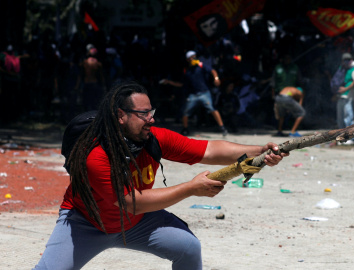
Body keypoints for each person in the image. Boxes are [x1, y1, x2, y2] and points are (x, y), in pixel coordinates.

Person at [34, 81, 287, 270]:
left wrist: (258, 151)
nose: (151, 119)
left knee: (189, 249)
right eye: (143, 114)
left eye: (151, 111)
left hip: (137, 224)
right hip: (86, 223)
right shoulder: (96, 154)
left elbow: (209, 149)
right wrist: (190, 188)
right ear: (120, 116)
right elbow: (131, 202)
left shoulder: (153, 139)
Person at [161, 51, 228, 136]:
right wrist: (169, 82)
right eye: (192, 57)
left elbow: (212, 70)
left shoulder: (201, 66)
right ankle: (185, 129)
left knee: (212, 108)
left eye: (194, 56)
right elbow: (182, 84)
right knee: (185, 112)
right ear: (188, 59)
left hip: (204, 93)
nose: (194, 58)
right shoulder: (187, 71)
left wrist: (216, 78)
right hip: (193, 95)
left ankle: (222, 128)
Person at [335, 53, 354, 145]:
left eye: (348, 59)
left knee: (348, 117)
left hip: (350, 96)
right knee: (340, 118)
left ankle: (350, 138)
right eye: (345, 59)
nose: (346, 61)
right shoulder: (343, 69)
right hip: (341, 96)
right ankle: (342, 138)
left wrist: (345, 89)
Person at [76, 46, 106, 111]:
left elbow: (80, 76)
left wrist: (77, 87)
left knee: (86, 103)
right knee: (94, 103)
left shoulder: (84, 62)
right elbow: (101, 76)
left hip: (86, 84)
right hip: (94, 84)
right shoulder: (98, 64)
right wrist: (103, 86)